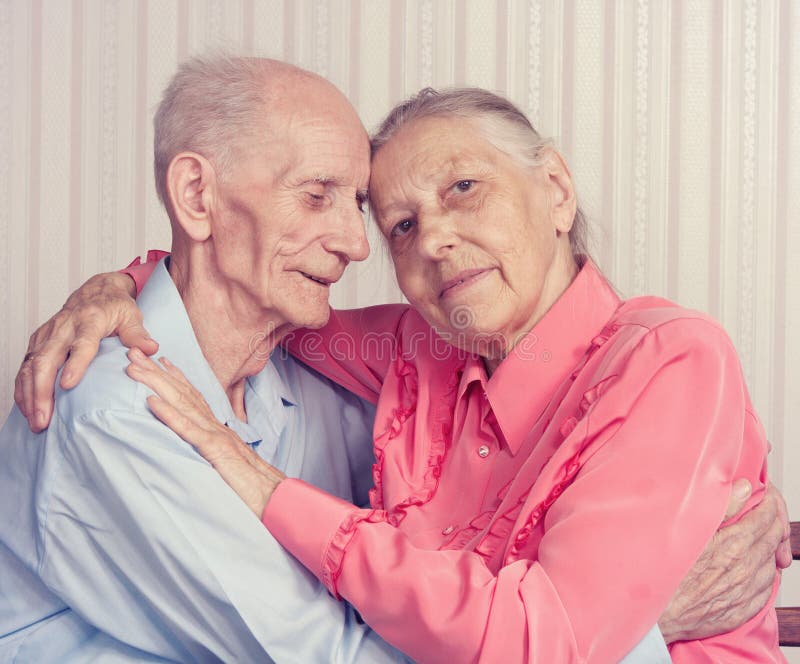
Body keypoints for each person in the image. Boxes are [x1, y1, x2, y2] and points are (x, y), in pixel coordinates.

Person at [5, 61, 790, 660]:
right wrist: (117, 290)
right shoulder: (418, 352)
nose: (426, 241)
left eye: (465, 188)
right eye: (401, 225)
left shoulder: (665, 363)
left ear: (555, 188)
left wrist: (268, 489)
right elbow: (241, 294)